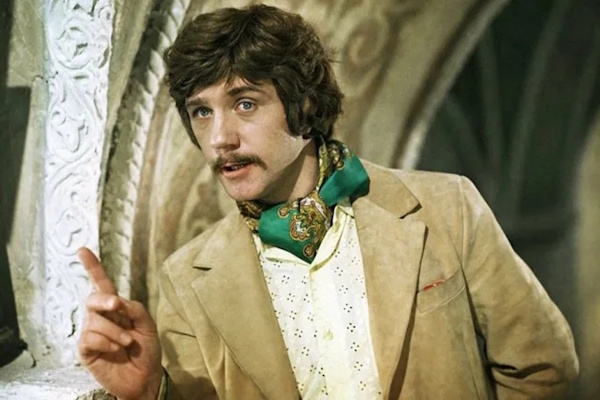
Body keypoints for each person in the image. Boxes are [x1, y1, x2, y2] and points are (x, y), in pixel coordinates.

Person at [77, 4, 578, 400]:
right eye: (201, 113)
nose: (219, 139)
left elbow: (542, 364)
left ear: (306, 103)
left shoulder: (447, 206)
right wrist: (152, 391)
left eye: (244, 103)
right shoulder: (186, 278)